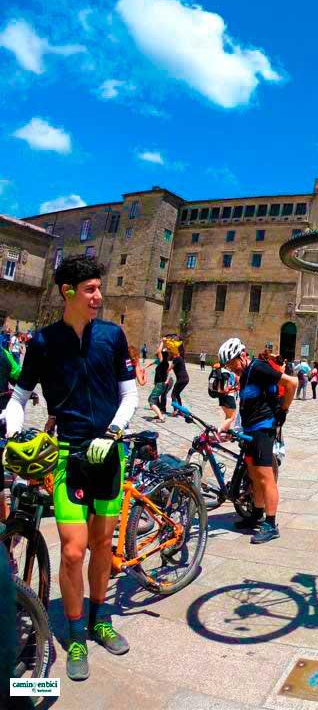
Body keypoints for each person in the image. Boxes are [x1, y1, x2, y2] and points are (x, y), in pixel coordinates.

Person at [3, 255, 137, 680]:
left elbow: (130, 395)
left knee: (102, 545)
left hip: (109, 454)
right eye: (90, 290)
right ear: (68, 293)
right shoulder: (44, 342)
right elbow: (19, 398)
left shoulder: (113, 336)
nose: (98, 296)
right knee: (74, 549)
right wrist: (13, 433)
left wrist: (113, 432)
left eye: (99, 289)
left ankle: (100, 619)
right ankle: (76, 634)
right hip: (68, 455)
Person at [218, 338, 297, 544]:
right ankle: (257, 514)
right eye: (229, 366)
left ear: (242, 355)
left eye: (232, 363)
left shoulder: (259, 368)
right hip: (250, 430)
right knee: (254, 476)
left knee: (265, 477)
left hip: (263, 428)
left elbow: (292, 383)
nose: (232, 368)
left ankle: (271, 524)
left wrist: (283, 411)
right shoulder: (245, 374)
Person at [169, 349, 189, 414]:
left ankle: (175, 410)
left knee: (173, 395)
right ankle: (180, 410)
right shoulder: (180, 358)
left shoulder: (176, 358)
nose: (170, 353)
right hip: (185, 379)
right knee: (177, 394)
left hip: (181, 379)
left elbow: (169, 368)